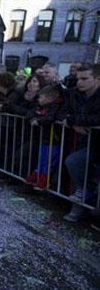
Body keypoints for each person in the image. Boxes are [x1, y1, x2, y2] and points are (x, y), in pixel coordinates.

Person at [58, 64, 100, 222]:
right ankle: (79, 207)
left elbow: (96, 118)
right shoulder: (74, 94)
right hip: (80, 141)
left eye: (84, 78)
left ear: (97, 79)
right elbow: (62, 113)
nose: (80, 82)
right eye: (78, 79)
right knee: (74, 167)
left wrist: (74, 121)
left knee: (76, 164)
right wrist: (73, 123)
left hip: (95, 143)